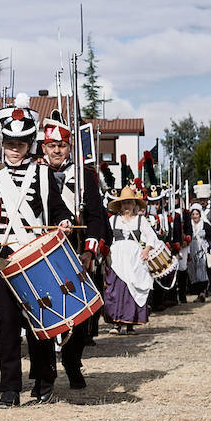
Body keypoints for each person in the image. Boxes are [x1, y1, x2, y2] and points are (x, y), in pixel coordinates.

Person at [0, 95, 73, 407]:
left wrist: (64, 222)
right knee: (8, 328)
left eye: (21, 143)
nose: (15, 148)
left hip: (35, 258)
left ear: (29, 144)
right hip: (5, 260)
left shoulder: (42, 174)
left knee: (40, 325)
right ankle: (10, 389)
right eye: (10, 142)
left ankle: (43, 381)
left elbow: (58, 209)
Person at [39, 111, 108, 390]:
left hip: (76, 251)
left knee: (80, 315)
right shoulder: (35, 173)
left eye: (62, 145)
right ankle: (44, 373)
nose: (57, 150)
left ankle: (72, 360)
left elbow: (96, 218)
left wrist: (90, 252)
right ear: (44, 147)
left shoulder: (84, 175)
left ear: (69, 147)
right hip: (43, 253)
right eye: (52, 145)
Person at [103, 186, 161, 333]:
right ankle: (116, 323)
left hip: (134, 259)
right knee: (115, 289)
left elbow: (151, 237)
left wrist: (147, 250)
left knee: (132, 289)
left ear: (134, 204)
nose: (127, 206)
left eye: (129, 202)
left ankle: (130, 323)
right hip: (117, 259)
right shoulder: (113, 220)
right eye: (124, 203)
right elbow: (106, 237)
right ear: (120, 205)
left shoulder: (140, 220)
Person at [185, 204, 211, 302]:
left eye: (197, 214)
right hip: (191, 249)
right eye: (193, 214)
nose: (195, 216)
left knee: (202, 270)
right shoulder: (188, 225)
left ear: (200, 215)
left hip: (202, 250)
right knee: (193, 271)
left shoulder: (205, 225)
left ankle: (203, 292)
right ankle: (197, 293)